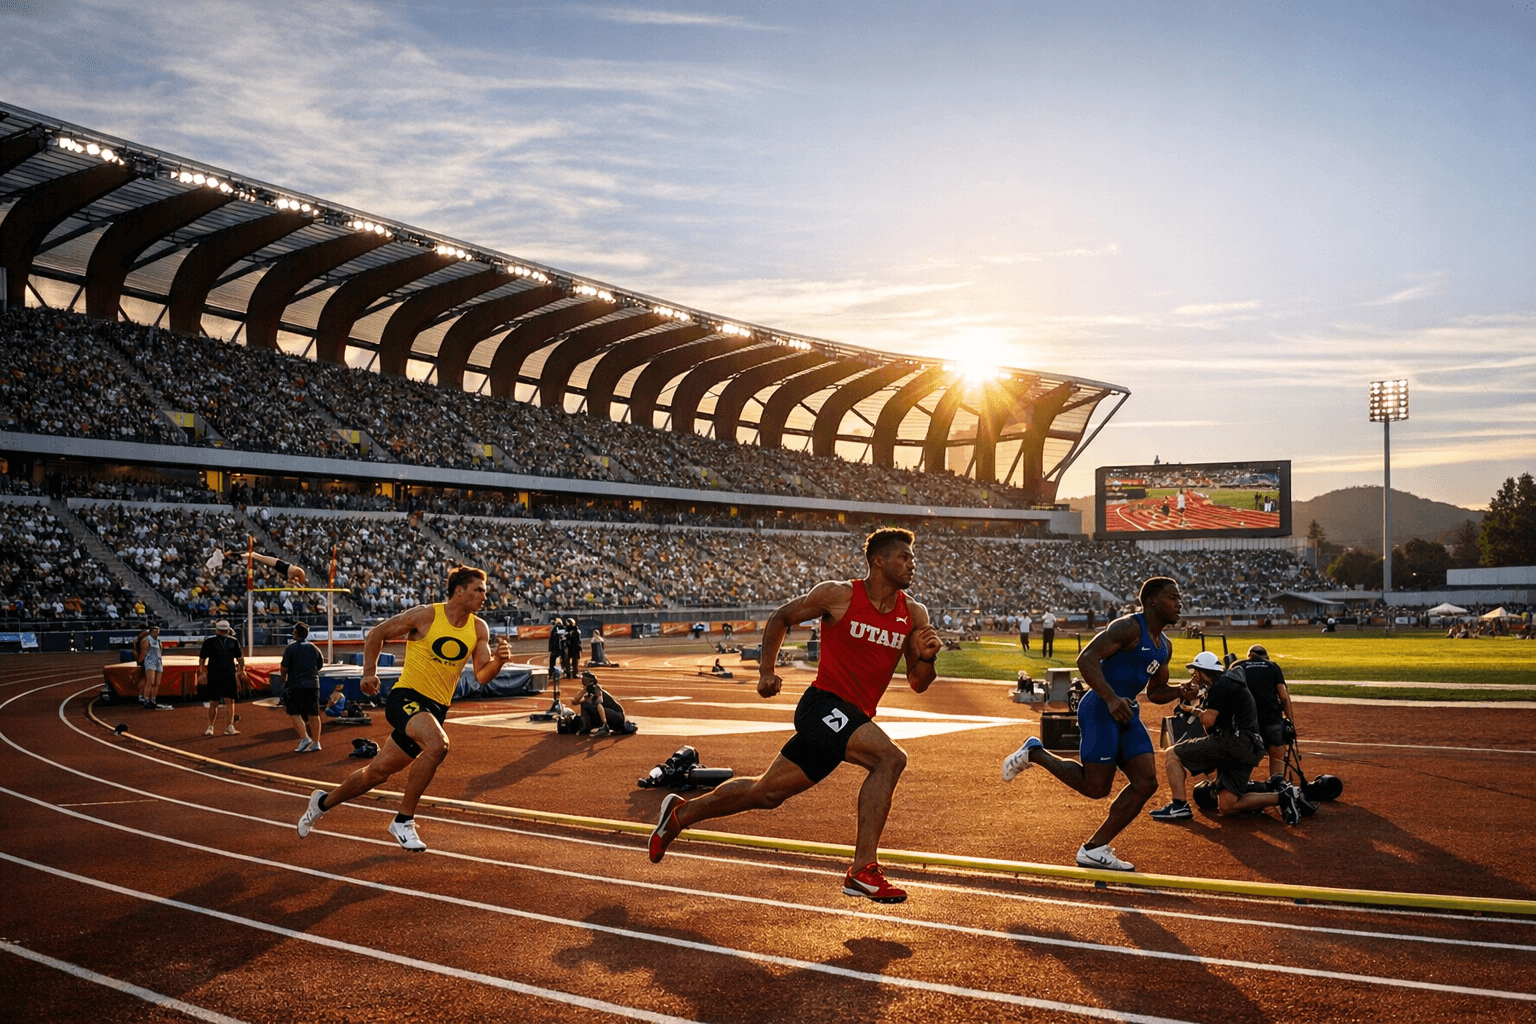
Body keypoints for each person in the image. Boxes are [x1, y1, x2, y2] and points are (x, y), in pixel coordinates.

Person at [647, 527, 942, 904]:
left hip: (848, 720)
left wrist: (929, 658)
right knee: (890, 758)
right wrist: (766, 671)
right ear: (878, 561)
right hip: (821, 705)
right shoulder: (838, 595)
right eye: (904, 557)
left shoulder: (913, 614)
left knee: (765, 793)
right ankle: (862, 870)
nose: (912, 564)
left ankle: (680, 815)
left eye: (913, 558)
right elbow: (781, 617)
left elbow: (918, 682)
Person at [296, 566, 512, 852]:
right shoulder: (426, 616)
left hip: (435, 709)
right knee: (439, 745)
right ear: (459, 590)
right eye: (479, 590)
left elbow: (483, 674)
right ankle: (403, 819)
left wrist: (498, 660)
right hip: (406, 697)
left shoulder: (478, 628)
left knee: (376, 774)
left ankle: (321, 803)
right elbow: (376, 634)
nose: (485, 595)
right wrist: (368, 673)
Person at [1000, 577, 1192, 872]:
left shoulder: (1164, 646)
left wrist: (1180, 691)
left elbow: (1155, 692)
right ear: (1152, 601)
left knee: (1146, 783)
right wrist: (1112, 698)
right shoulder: (1128, 627)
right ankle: (1035, 753)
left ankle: (1094, 848)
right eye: (1173, 597)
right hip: (1101, 707)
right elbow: (1085, 658)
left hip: (1127, 711)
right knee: (1096, 788)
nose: (1180, 603)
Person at [1149, 651, 1310, 825]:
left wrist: (1193, 710)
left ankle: (1179, 806)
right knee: (1227, 805)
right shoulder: (1229, 683)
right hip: (1249, 747)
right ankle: (1282, 796)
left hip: (1234, 743)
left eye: (1195, 672)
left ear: (1203, 671)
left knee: (1172, 754)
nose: (1194, 676)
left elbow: (1208, 722)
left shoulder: (1220, 686)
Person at [1233, 644, 1295, 779]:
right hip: (1272, 720)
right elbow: (1284, 697)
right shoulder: (1272, 666)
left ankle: (1241, 785)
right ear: (1266, 656)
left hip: (1247, 722)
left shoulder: (1238, 666)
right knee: (1277, 756)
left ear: (1249, 656)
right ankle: (1278, 786)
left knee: (1244, 757)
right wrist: (1290, 721)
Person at [280, 622, 326, 753]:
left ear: (295, 633)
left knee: (294, 712)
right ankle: (316, 742)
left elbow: (284, 668)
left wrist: (285, 680)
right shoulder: (314, 648)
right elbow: (320, 664)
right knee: (314, 713)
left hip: (296, 684)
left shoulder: (291, 648)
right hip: (313, 684)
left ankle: (305, 738)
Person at [198, 619, 245, 736]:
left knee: (213, 702)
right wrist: (241, 671)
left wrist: (202, 673)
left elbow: (202, 659)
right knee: (230, 701)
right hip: (229, 673)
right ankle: (229, 726)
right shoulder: (233, 641)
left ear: (217, 630)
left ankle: (210, 726)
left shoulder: (209, 641)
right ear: (228, 630)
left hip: (214, 674)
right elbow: (240, 659)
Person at [218, 549, 307, 588]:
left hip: (279, 566)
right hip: (279, 565)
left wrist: (293, 583)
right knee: (256, 556)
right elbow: (295, 581)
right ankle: (234, 554)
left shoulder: (294, 575)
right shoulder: (298, 573)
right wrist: (296, 584)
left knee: (255, 556)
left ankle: (236, 555)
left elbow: (291, 582)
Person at [135, 624, 170, 709]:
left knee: (157, 683)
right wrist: (140, 661)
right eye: (154, 631)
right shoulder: (146, 640)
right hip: (150, 661)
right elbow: (143, 652)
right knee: (150, 682)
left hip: (158, 661)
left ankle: (153, 699)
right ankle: (146, 699)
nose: (156, 633)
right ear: (150, 632)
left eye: (157, 631)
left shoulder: (158, 640)